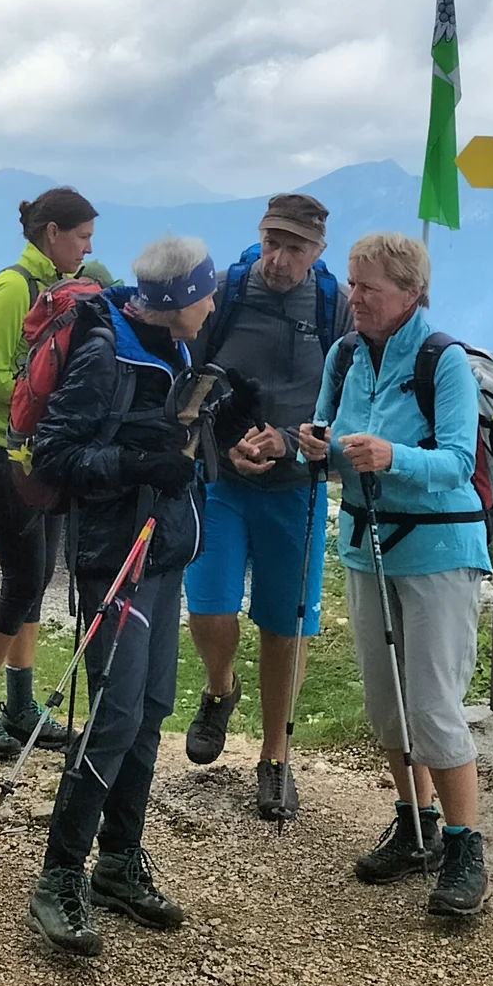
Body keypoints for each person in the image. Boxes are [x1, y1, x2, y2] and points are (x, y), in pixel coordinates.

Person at [24, 235, 216, 958]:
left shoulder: (172, 348)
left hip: (161, 553)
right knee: (113, 713)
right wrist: (140, 462)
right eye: (204, 291)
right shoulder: (108, 351)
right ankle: (59, 876)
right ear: (174, 301)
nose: (212, 300)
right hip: (117, 558)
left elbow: (172, 447)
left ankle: (118, 863)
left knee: (151, 709)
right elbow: (56, 454)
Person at [299, 231, 490, 918]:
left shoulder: (445, 362)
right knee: (388, 706)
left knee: (434, 707)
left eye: (369, 288)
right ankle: (416, 828)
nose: (355, 299)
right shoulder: (345, 355)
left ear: (411, 294)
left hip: (439, 552)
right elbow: (326, 449)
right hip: (368, 547)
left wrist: (393, 456)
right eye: (353, 285)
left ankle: (466, 850)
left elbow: (458, 464)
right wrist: (306, 450)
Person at [183, 194, 353, 822]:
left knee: (286, 625)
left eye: (296, 249)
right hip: (221, 480)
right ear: (258, 236)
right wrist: (224, 445)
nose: (280, 261)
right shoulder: (224, 292)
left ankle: (275, 756)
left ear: (318, 251)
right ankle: (219, 687)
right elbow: (190, 380)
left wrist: (288, 440)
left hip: (296, 489)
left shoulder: (333, 307)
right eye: (272, 243)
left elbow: (346, 396)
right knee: (209, 605)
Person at [0, 187, 99, 759]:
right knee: (21, 580)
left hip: (41, 454)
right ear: (53, 233)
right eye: (83, 236)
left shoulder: (63, 289)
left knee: (36, 582)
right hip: (0, 449)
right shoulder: (16, 286)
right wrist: (37, 403)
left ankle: (20, 704)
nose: (89, 247)